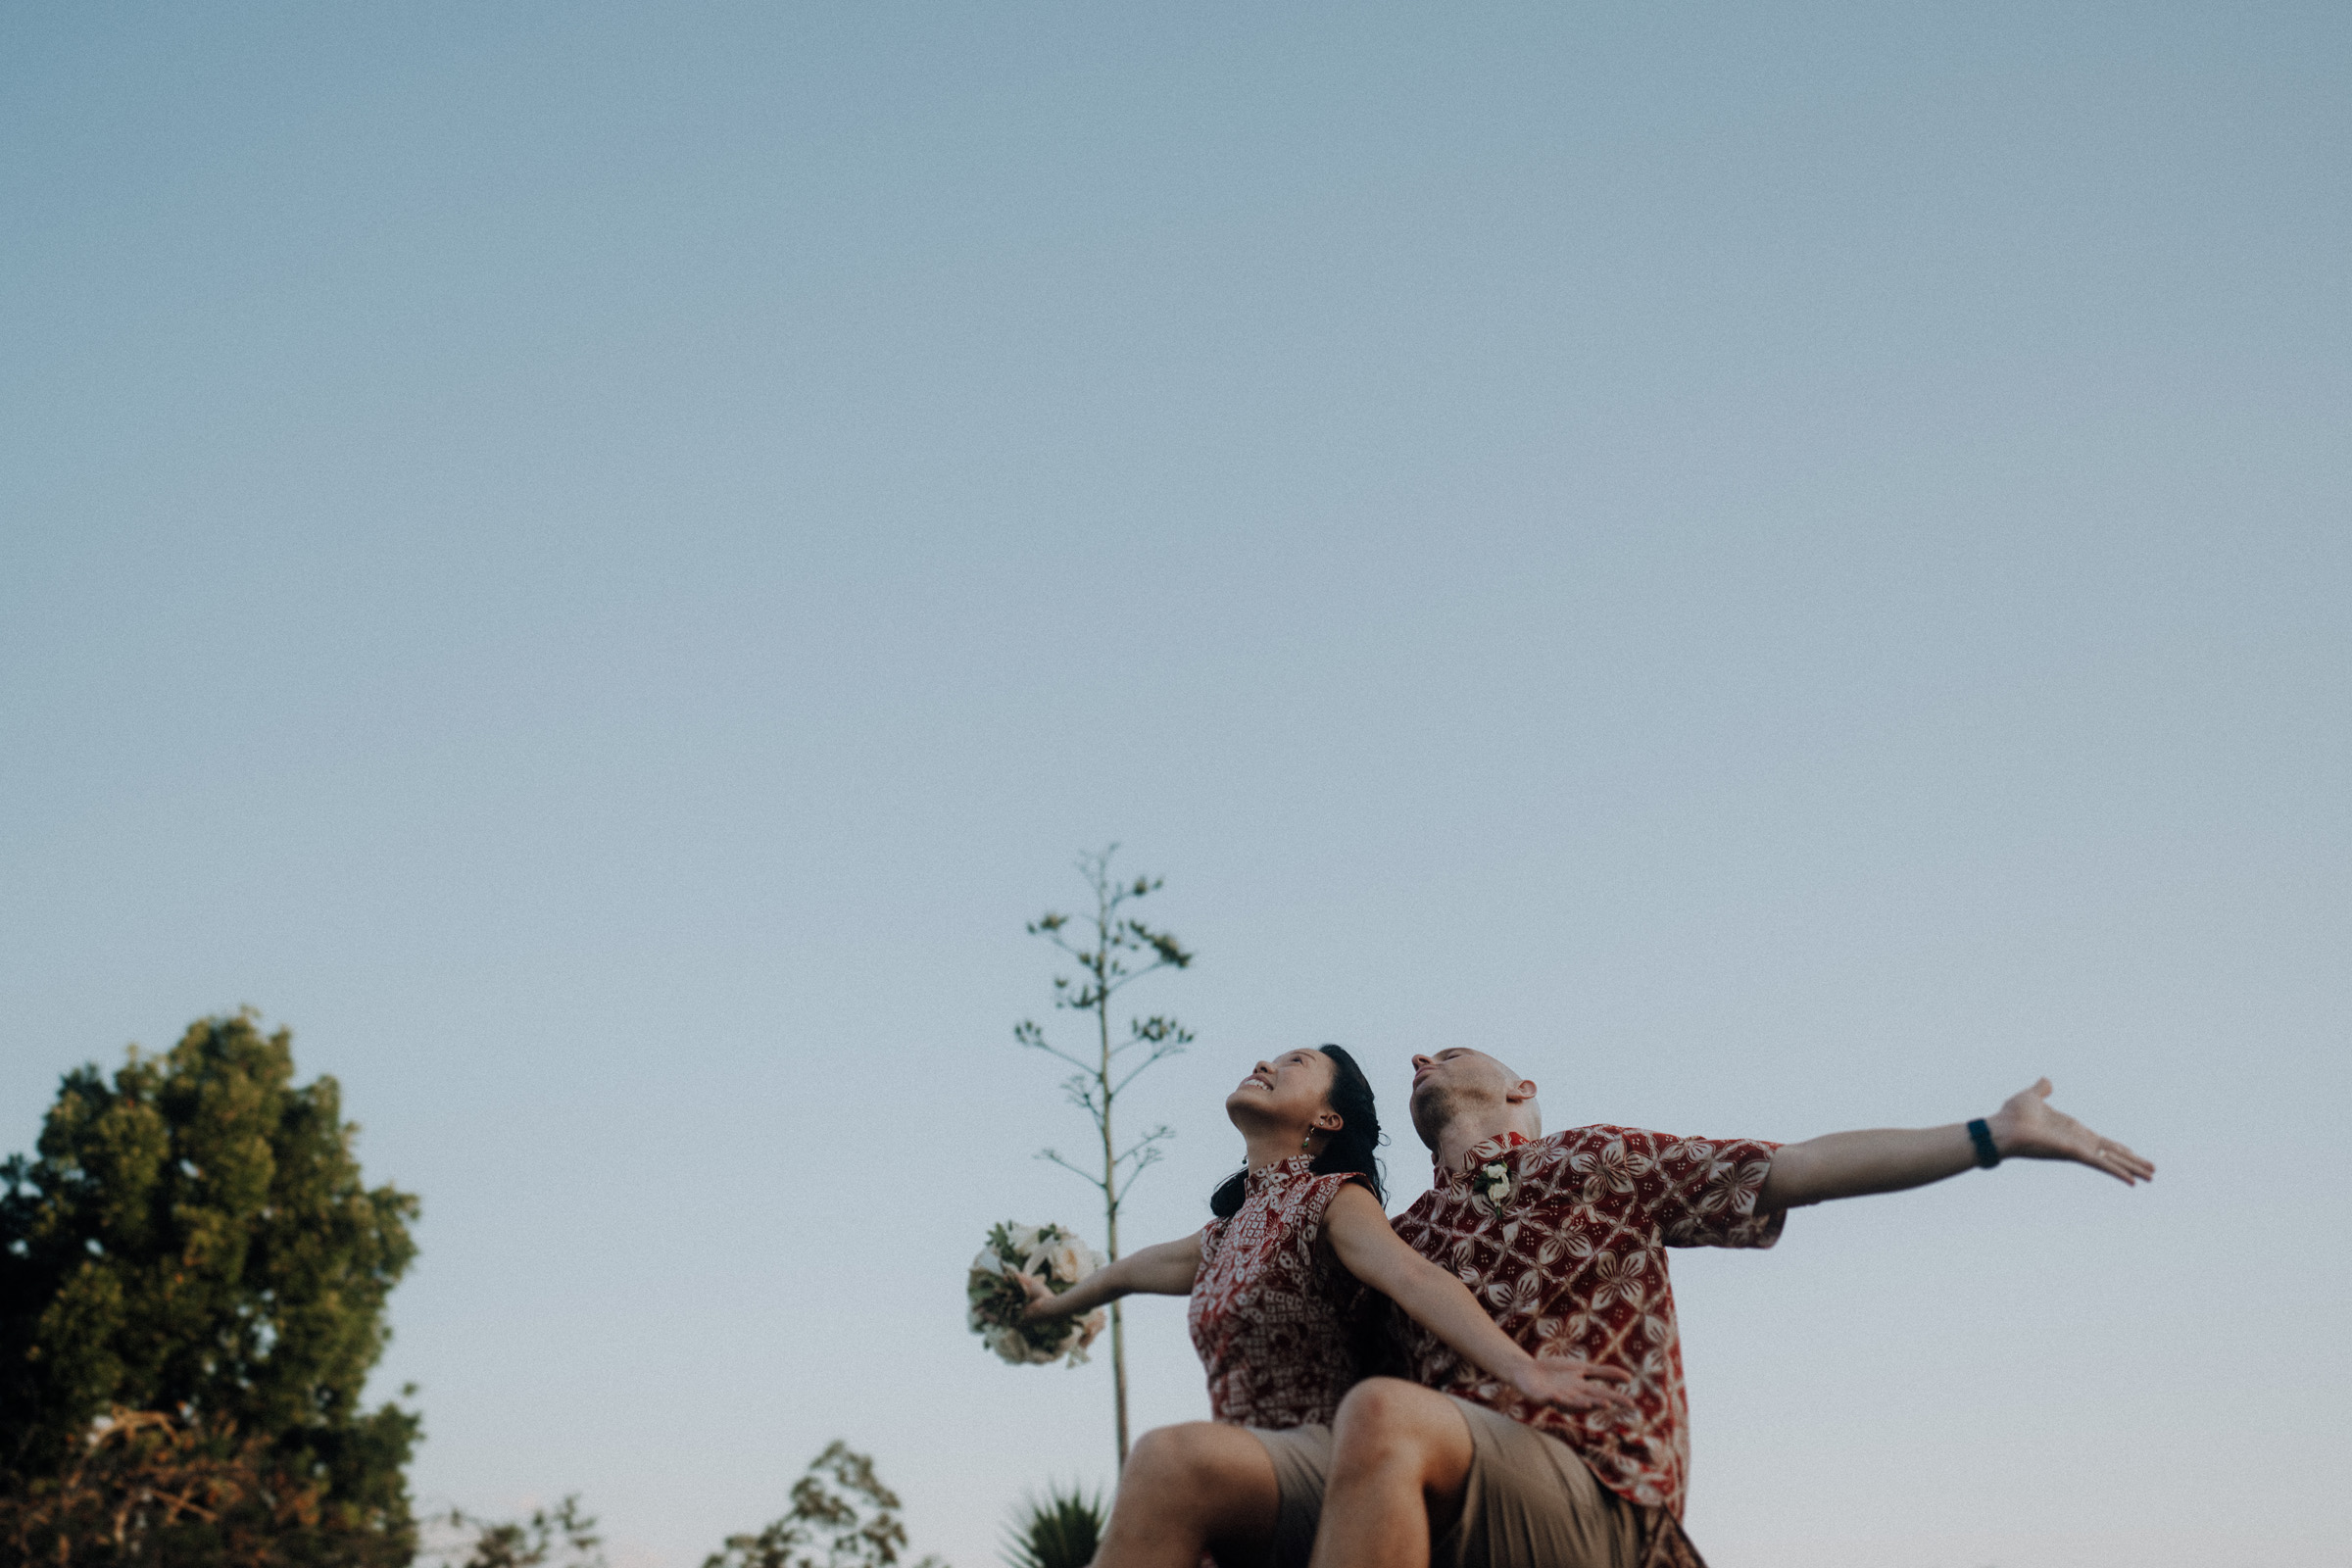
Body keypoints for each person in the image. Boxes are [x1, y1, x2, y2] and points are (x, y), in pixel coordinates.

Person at [1100, 1051, 2154, 1568]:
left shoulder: (1596, 1161)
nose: (1423, 1060)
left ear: (1522, 1088)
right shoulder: (1395, 1230)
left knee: (1385, 1411)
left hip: (1598, 1495)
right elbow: (1242, 1283)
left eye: (1452, 1051)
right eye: (1416, 1059)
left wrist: (1988, 1133)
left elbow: (1805, 1166)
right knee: (1226, 1450)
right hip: (1442, 1488)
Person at [1018, 1046, 1639, 1568]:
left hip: (1333, 1458)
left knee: (1167, 1460)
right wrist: (1052, 1309)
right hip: (1250, 1469)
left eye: (1296, 1062)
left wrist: (1521, 1368)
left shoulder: (1335, 1199)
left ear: (1328, 1118)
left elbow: (1413, 1276)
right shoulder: (1222, 1236)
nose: (1265, 1062)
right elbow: (1123, 1274)